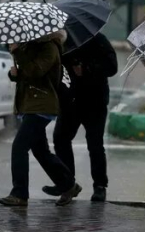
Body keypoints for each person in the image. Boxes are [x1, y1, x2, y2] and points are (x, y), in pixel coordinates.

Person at [0, 30, 81, 207]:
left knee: (19, 147)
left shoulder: (50, 48)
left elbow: (35, 71)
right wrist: (14, 74)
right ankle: (68, 184)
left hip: (42, 104)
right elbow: (25, 74)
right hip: (30, 104)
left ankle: (20, 194)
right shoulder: (34, 46)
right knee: (40, 151)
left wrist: (17, 52)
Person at [42, 32, 118, 202]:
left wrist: (87, 68)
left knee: (95, 144)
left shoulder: (97, 39)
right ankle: (67, 183)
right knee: (60, 138)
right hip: (71, 101)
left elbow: (112, 67)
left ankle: (100, 186)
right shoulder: (62, 43)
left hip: (94, 102)